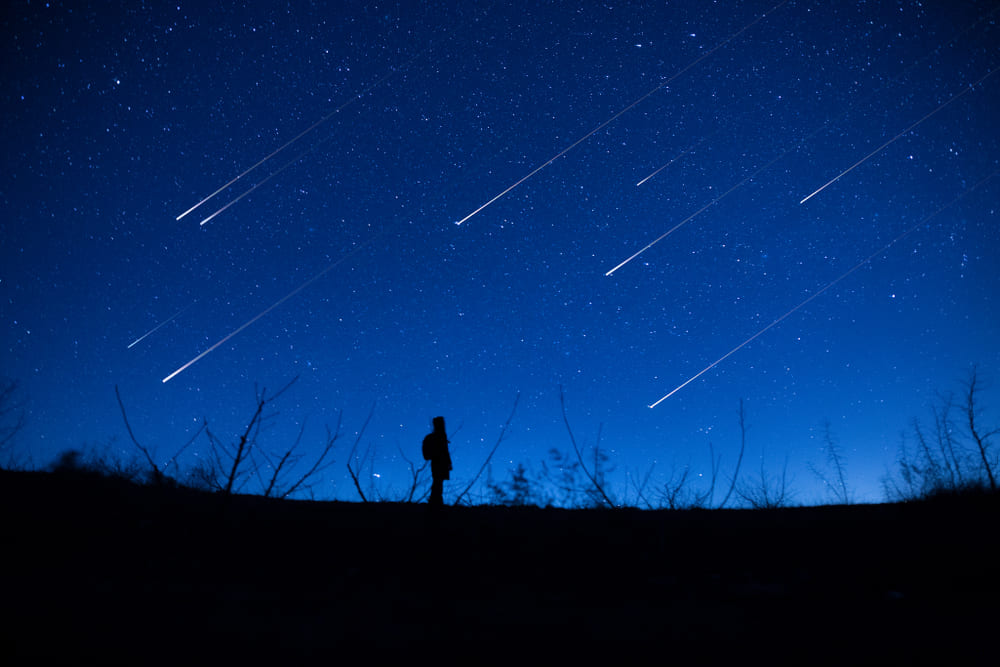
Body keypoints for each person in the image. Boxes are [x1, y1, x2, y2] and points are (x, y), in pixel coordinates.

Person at [422, 416, 452, 506]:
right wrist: (448, 462)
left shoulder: (439, 436)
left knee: (438, 481)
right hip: (439, 462)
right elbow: (444, 450)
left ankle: (435, 501)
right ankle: (435, 502)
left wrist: (449, 462)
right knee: (438, 481)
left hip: (439, 462)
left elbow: (445, 450)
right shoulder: (439, 436)